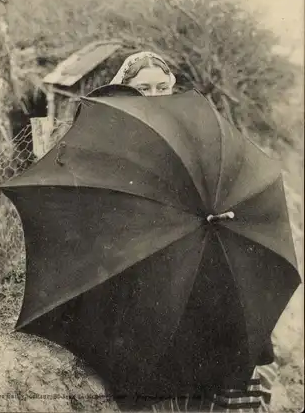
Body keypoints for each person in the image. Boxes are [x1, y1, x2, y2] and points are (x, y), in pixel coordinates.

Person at [107, 51, 279, 413]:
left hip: (194, 246)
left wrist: (218, 210)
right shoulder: (114, 133)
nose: (153, 95)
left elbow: (218, 182)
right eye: (142, 88)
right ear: (126, 90)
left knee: (229, 311)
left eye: (161, 87)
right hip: (138, 255)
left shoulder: (193, 130)